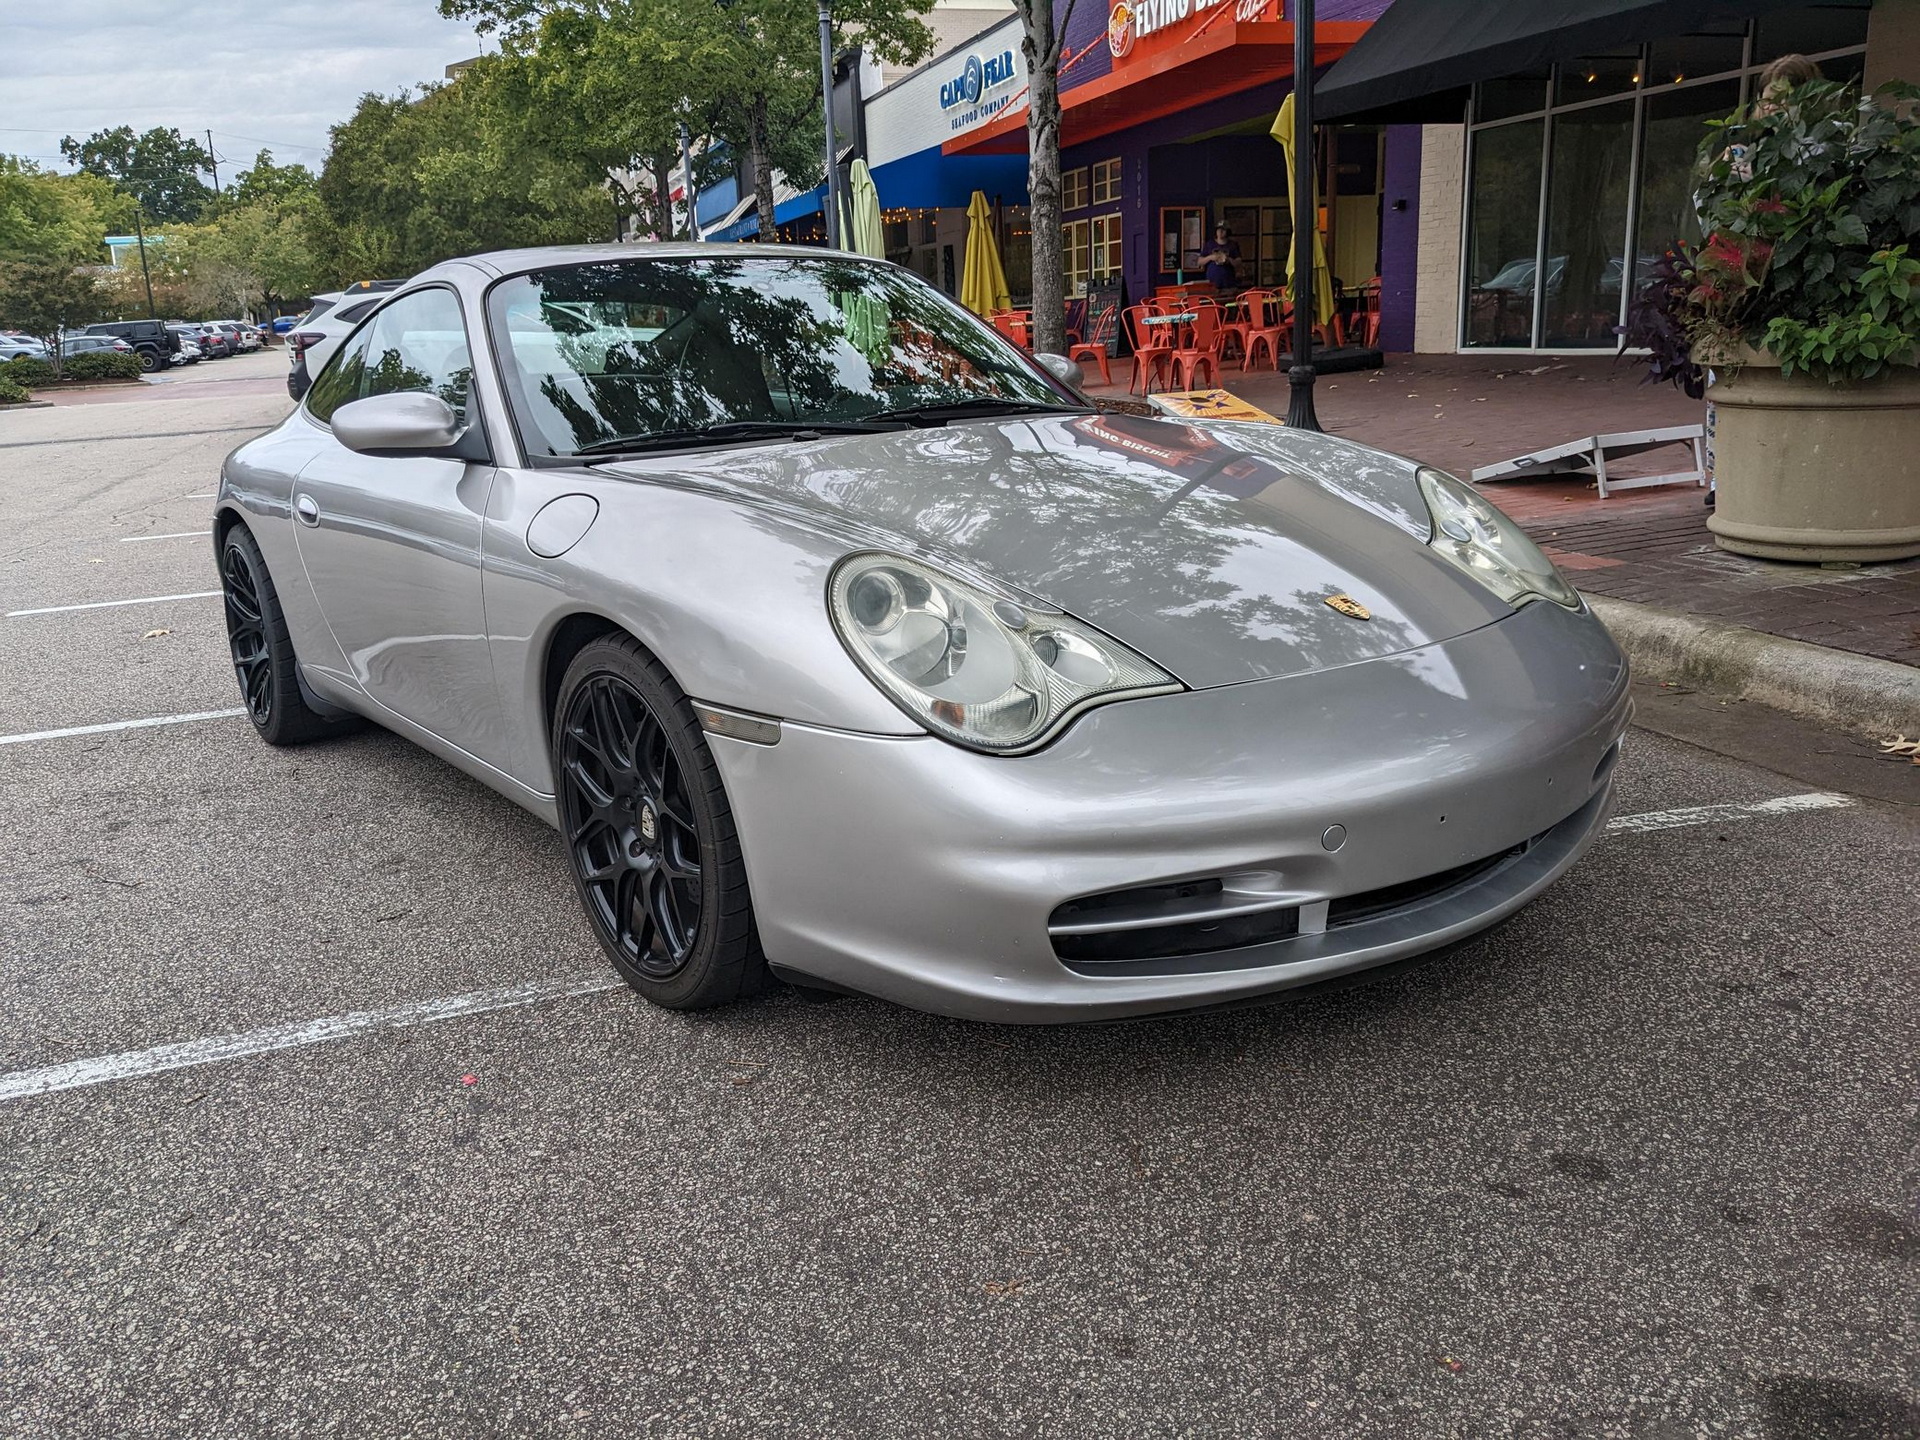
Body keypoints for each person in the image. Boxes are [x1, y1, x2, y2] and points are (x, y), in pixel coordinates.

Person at [1703, 53, 1822, 510]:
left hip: (1792, 272)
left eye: (1783, 101)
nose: (1772, 109)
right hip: (1742, 273)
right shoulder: (1743, 148)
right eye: (1767, 100)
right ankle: (1721, 479)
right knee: (1727, 370)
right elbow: (1714, 205)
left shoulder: (1818, 146)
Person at [1199, 224, 1240, 293]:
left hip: (1229, 283)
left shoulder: (1232, 245)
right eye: (1218, 230)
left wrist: (1229, 260)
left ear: (1227, 232)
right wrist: (1210, 257)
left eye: (1223, 230)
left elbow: (1239, 262)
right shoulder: (1210, 244)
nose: (1220, 232)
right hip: (1212, 283)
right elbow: (1200, 262)